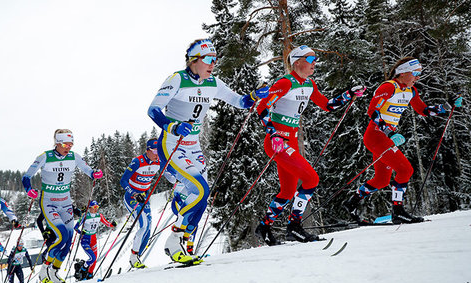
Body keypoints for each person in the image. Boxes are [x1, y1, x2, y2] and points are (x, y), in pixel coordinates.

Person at [147, 38, 270, 264]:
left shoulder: (213, 82)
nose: (213, 64)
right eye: (209, 60)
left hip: (193, 146)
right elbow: (153, 109)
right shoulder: (177, 79)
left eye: (216, 60)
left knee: (201, 198)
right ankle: (174, 241)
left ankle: (185, 244)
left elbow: (239, 101)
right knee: (200, 189)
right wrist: (172, 125)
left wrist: (253, 97)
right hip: (172, 144)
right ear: (194, 60)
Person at [254, 45, 366, 244]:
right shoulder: (285, 83)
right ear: (297, 62)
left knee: (288, 191)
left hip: (291, 142)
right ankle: (294, 226)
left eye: (315, 59)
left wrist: (349, 94)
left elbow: (327, 105)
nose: (315, 63)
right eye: (311, 59)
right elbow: (262, 107)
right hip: (277, 142)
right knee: (312, 179)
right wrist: (273, 134)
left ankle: (264, 226)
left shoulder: (309, 85)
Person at [343, 57, 463, 224]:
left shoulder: (410, 91)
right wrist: (389, 133)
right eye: (414, 73)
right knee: (405, 170)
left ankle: (351, 203)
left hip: (386, 137)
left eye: (419, 74)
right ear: (402, 72)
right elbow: (373, 111)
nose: (417, 77)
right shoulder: (388, 87)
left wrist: (447, 106)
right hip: (376, 135)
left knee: (382, 179)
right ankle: (398, 211)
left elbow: (424, 110)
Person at [22, 129, 102, 283]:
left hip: (65, 202)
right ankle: (44, 270)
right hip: (49, 202)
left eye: (71, 144)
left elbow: (87, 169)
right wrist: (28, 189)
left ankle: (54, 271)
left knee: (68, 240)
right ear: (57, 143)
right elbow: (27, 176)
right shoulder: (45, 156)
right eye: (65, 144)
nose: (68, 147)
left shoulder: (74, 157)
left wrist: (94, 174)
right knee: (61, 236)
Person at [120, 139, 169, 268]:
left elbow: (169, 172)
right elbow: (123, 181)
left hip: (145, 196)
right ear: (147, 150)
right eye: (154, 151)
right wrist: (135, 194)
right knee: (144, 224)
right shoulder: (138, 161)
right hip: (132, 196)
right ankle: (133, 257)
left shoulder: (159, 161)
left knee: (148, 229)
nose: (157, 154)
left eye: (159, 151)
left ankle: (137, 257)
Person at [73, 201, 116, 279]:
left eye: (97, 207)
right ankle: (83, 269)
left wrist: (112, 225)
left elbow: (107, 224)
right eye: (94, 207)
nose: (96, 209)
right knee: (92, 258)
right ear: (90, 208)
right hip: (85, 239)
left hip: (93, 239)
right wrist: (81, 232)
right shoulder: (85, 216)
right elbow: (75, 227)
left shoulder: (99, 215)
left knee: (94, 259)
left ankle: (89, 275)